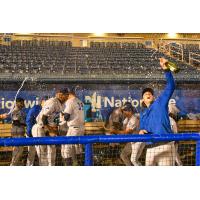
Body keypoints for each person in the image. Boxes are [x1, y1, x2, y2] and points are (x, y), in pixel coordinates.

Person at [139, 57, 176, 166]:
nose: (148, 94)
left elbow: (171, 86)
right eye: (145, 94)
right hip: (150, 148)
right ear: (142, 100)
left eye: (150, 93)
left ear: (154, 97)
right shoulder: (142, 113)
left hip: (165, 144)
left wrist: (166, 69)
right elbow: (142, 129)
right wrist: (141, 131)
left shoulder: (160, 102)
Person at [32, 88, 69, 166]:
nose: (67, 97)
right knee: (42, 153)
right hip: (40, 128)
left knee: (52, 150)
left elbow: (54, 120)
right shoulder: (52, 102)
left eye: (68, 95)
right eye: (66, 95)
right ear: (60, 95)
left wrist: (55, 130)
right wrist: (50, 131)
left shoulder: (61, 104)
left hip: (48, 128)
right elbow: (43, 118)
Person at [61, 88, 85, 166]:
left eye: (65, 94)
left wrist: (62, 116)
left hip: (74, 129)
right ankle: (80, 166)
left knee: (66, 150)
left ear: (68, 94)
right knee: (78, 149)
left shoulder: (70, 101)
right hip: (81, 129)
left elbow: (66, 117)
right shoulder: (80, 101)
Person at [26, 96, 49, 166]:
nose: (47, 103)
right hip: (32, 133)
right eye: (46, 101)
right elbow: (29, 121)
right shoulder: (36, 108)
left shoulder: (46, 109)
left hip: (40, 133)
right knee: (32, 153)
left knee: (41, 152)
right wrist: (30, 135)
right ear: (42, 101)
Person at [10, 97, 26, 166]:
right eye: (21, 103)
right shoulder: (15, 110)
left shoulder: (19, 110)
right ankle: (13, 164)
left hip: (19, 130)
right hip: (17, 131)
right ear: (17, 103)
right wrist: (25, 124)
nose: (23, 104)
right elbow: (15, 122)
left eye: (23, 102)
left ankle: (14, 164)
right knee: (17, 149)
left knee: (19, 149)